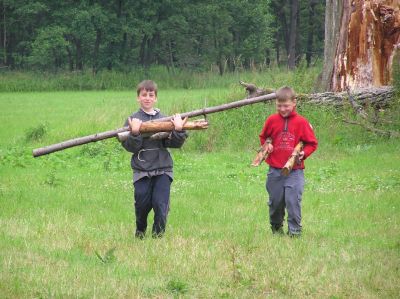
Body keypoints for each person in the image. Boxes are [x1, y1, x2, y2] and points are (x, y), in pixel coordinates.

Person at [121, 80, 187, 238]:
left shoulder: (165, 119)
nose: (147, 98)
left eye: (151, 95)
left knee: (160, 204)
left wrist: (178, 130)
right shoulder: (132, 120)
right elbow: (130, 147)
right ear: (138, 98)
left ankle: (158, 237)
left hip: (163, 169)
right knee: (142, 206)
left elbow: (175, 143)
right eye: (144, 95)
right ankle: (140, 231)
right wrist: (135, 133)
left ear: (156, 98)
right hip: (142, 171)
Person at [259, 86, 318, 237]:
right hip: (275, 171)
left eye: (286, 106)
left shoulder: (301, 122)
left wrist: (303, 153)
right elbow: (263, 137)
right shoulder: (272, 120)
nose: (283, 109)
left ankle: (295, 232)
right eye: (279, 105)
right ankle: (276, 229)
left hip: (295, 171)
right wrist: (267, 144)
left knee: (292, 202)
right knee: (275, 202)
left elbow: (312, 143)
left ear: (294, 103)